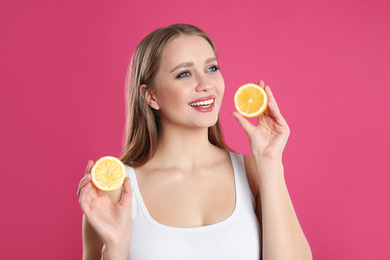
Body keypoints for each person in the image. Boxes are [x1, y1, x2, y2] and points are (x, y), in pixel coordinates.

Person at [77, 23, 312, 260]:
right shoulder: (114, 188)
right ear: (151, 96)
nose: (206, 84)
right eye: (184, 73)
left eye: (211, 68)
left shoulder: (254, 172)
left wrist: (270, 161)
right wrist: (115, 247)